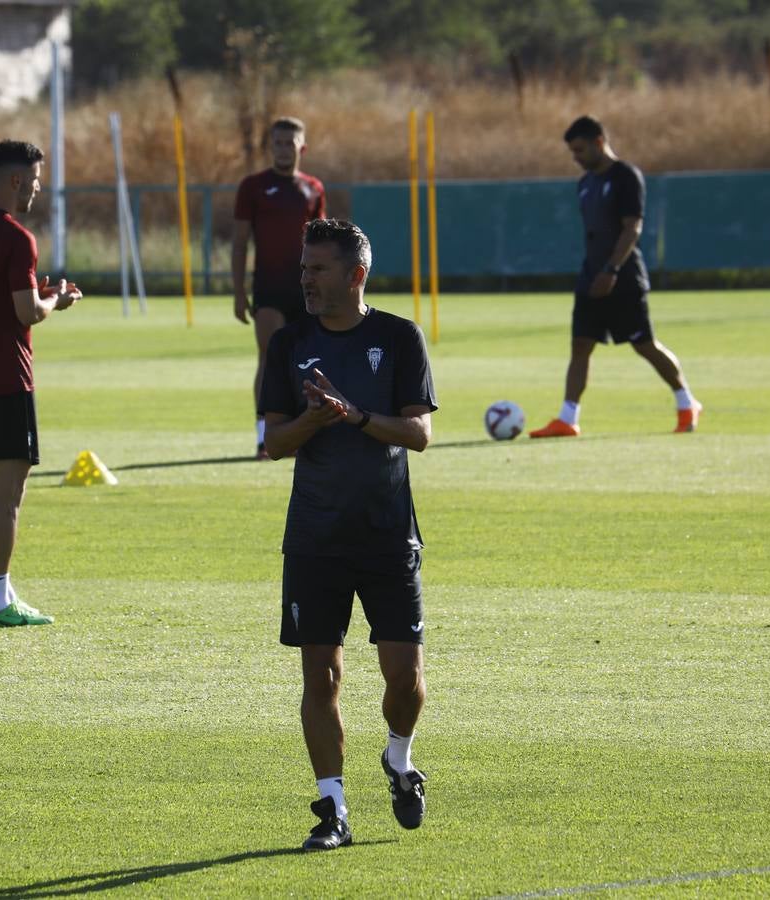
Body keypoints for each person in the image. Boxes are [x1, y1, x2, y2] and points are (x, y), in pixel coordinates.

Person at [260, 219, 437, 851]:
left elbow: (419, 434)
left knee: (404, 680)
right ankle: (332, 807)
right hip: (315, 536)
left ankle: (397, 756)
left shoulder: (398, 337)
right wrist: (312, 419)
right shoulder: (288, 343)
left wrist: (354, 415)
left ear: (356, 274)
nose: (305, 278)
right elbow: (272, 444)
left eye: (319, 269)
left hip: (388, 534)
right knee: (322, 678)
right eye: (303, 268)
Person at [0, 139, 83, 629]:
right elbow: (26, 313)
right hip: (6, 378)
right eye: (35, 180)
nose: (37, 189)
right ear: (14, 180)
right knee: (7, 495)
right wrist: (57, 301)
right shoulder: (15, 237)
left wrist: (35, 294)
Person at [530, 116, 700, 438]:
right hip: (590, 277)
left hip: (622, 278)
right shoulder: (585, 184)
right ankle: (568, 418)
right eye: (571, 152)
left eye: (579, 149)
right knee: (580, 345)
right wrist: (595, 272)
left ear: (598, 142)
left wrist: (611, 270)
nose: (575, 158)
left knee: (644, 345)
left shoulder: (626, 177)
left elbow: (631, 228)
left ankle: (686, 401)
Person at [232, 116, 327, 460]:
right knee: (271, 356)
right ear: (270, 146)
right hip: (268, 289)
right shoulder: (253, 187)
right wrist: (239, 291)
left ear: (302, 147)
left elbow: (321, 244)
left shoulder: (313, 188)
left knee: (309, 361)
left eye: (290, 143)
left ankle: (304, 435)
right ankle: (264, 438)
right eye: (278, 143)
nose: (284, 149)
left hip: (307, 290)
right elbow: (241, 242)